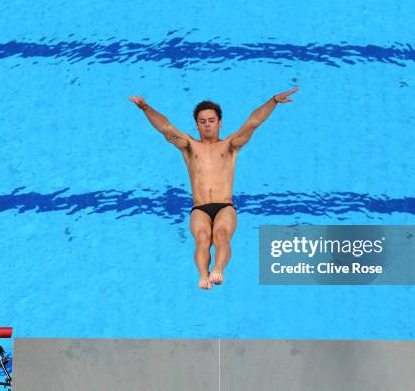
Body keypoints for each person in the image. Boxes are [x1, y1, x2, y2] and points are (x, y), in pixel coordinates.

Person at [128, 87, 298, 289]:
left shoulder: (230, 145)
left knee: (221, 235)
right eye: (202, 122)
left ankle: (218, 268)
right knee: (201, 238)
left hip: (225, 206)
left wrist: (274, 101)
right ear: (197, 126)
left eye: (211, 121)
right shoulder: (189, 146)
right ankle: (203, 275)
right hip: (200, 208)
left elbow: (253, 122)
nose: (207, 125)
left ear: (220, 123)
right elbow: (165, 127)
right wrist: (145, 107)